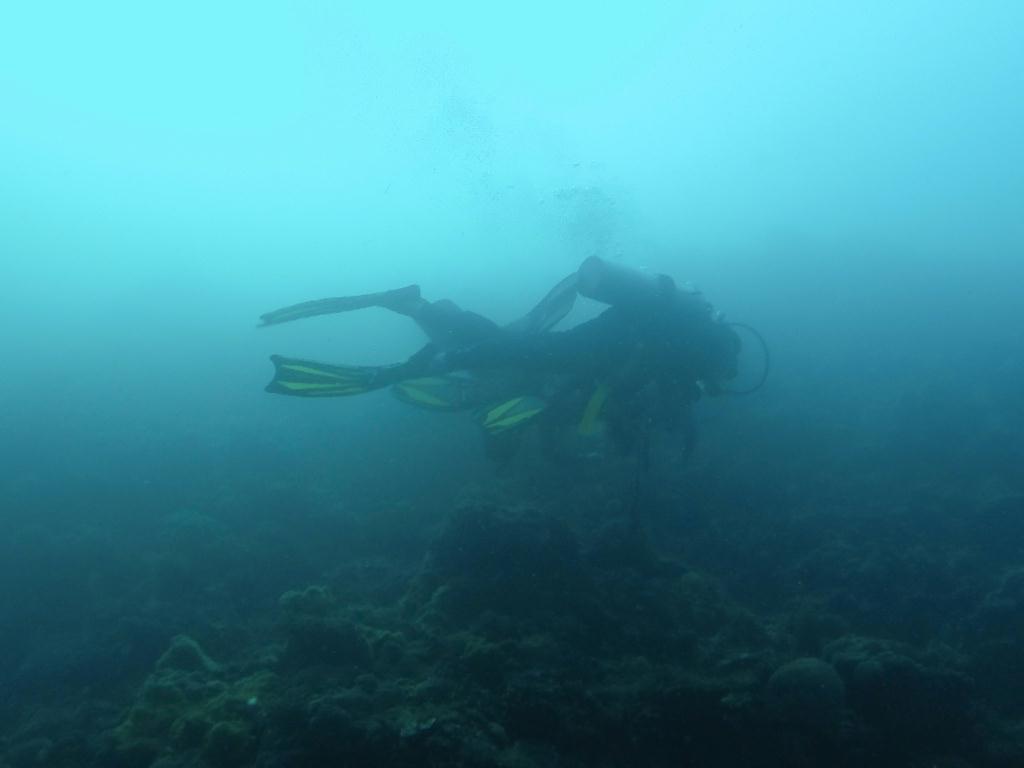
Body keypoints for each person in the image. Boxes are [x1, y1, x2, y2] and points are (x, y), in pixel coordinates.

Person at [260, 257, 742, 458]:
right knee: (522, 353)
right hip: (607, 346)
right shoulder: (679, 366)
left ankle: (424, 313)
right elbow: (628, 402)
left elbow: (610, 401)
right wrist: (443, 363)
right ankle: (423, 317)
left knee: (525, 357)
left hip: (613, 344)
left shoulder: (680, 354)